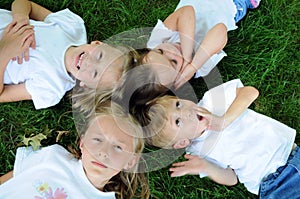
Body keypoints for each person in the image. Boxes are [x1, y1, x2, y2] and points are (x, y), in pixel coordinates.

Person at [135, 79, 299, 198]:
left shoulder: (212, 101)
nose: (186, 111)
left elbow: (250, 92)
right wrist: (206, 167)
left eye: (177, 104)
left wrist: (224, 120)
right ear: (182, 142)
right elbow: (232, 178)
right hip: (273, 187)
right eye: (178, 121)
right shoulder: (198, 152)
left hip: (291, 156)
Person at [0, 0, 136, 109]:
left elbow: (2, 95)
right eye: (100, 56)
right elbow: (24, 3)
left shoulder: (51, 88)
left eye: (95, 73)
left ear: (86, 85)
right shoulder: (71, 28)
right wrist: (21, 19)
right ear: (97, 43)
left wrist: (5, 54)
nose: (89, 63)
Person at [0, 100, 150, 199]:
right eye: (97, 140)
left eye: (118, 147)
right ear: (82, 143)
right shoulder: (53, 156)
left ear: (130, 161)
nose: (103, 152)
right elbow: (12, 178)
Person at [137, 0, 260, 88]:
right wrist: (193, 65)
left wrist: (186, 55)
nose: (171, 50)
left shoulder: (155, 42)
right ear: (181, 77)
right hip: (232, 4)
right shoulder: (200, 66)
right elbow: (220, 30)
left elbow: (187, 11)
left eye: (161, 51)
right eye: (173, 62)